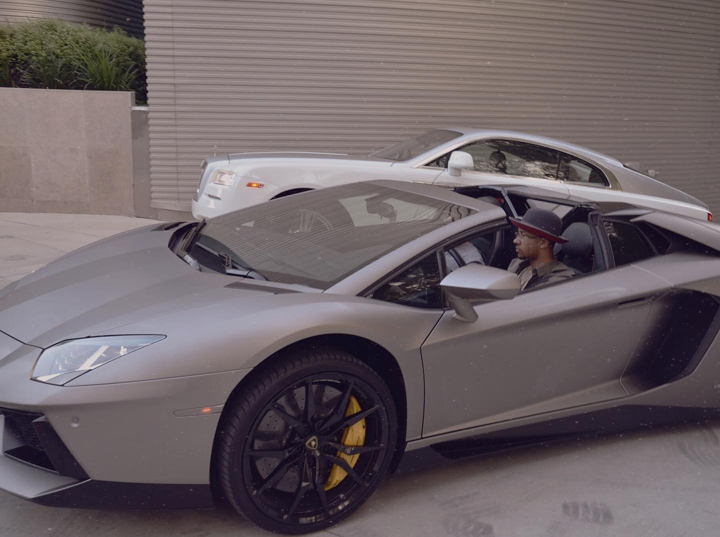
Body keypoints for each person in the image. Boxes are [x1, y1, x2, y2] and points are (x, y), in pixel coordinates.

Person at [507, 208, 575, 290]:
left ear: (543, 243)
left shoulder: (558, 281)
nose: (515, 240)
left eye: (523, 236)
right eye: (517, 234)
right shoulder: (517, 265)